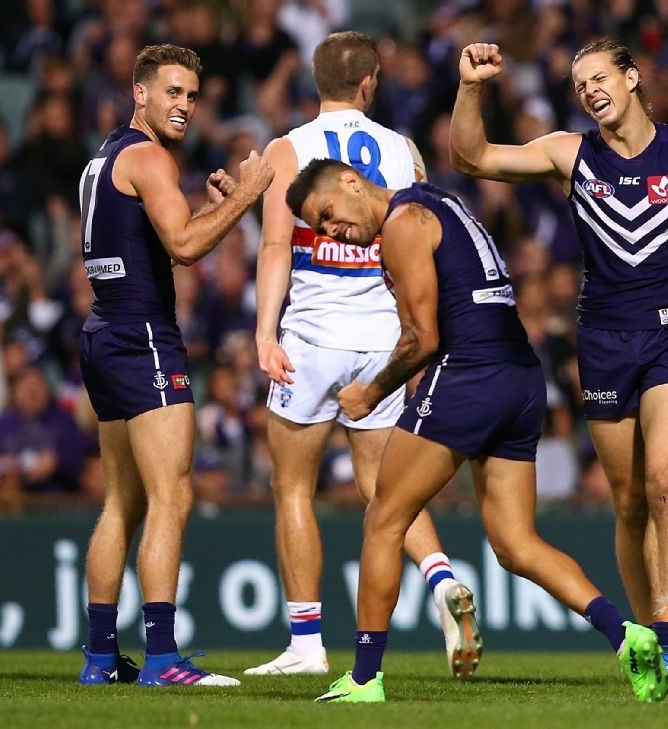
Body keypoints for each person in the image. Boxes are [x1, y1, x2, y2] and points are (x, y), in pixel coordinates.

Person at [449, 38, 668, 686]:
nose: (589, 88)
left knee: (667, 481)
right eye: (579, 81)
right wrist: (473, 87)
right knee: (628, 501)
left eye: (599, 76)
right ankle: (643, 634)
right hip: (603, 345)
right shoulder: (571, 153)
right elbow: (472, 156)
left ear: (634, 77)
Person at [284, 160, 668, 704]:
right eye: (321, 230)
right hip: (520, 376)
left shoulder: (402, 223)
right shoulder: (439, 201)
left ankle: (365, 679)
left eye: (328, 215)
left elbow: (421, 337)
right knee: (515, 544)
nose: (332, 231)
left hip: (470, 374)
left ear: (351, 182)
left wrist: (369, 393)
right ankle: (626, 634)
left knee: (384, 520)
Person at [249, 30, 478, 679]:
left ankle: (305, 643)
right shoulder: (403, 151)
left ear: (316, 83)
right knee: (386, 489)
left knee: (292, 485)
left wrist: (266, 333)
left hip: (313, 337)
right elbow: (428, 238)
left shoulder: (288, 150)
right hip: (384, 338)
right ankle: (442, 583)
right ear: (370, 81)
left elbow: (272, 249)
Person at [76, 44, 273, 687]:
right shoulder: (150, 157)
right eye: (172, 93)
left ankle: (100, 659)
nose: (184, 106)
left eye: (191, 95)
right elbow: (185, 245)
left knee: (121, 504)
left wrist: (215, 204)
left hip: (103, 332)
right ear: (140, 92)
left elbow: (155, 233)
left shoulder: (103, 158)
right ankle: (162, 658)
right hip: (143, 336)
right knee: (173, 495)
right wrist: (246, 196)